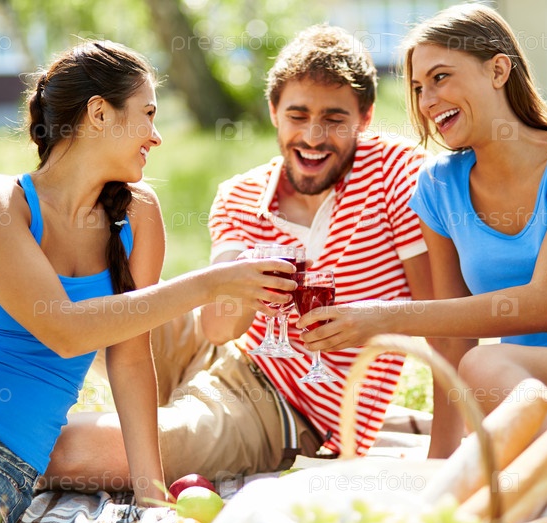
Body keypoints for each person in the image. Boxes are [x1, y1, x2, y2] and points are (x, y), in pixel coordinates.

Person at [298, 3, 547, 523]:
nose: (427, 101)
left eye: (441, 78)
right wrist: (439, 461)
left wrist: (382, 317)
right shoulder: (438, 186)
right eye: (417, 88)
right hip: (538, 411)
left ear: (499, 70)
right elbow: (453, 340)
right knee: (472, 493)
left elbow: (544, 305)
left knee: (487, 368)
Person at [0, 41, 295, 523]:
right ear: (99, 113)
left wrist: (151, 499)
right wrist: (209, 285)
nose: (157, 136)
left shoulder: (138, 217)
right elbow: (64, 330)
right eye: (148, 114)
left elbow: (131, 359)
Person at [42, 23, 448, 494]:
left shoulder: (396, 173)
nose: (313, 136)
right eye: (297, 115)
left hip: (277, 408)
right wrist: (251, 282)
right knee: (66, 299)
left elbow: (441, 317)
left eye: (334, 119)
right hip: (211, 343)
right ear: (274, 112)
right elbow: (219, 328)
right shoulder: (241, 194)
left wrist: (442, 457)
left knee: (70, 451)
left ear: (366, 117)